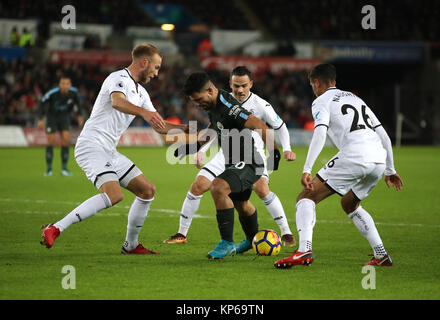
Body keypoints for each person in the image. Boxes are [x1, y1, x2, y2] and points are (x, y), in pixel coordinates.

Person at [40, 43, 189, 254]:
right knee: (114, 194)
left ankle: (131, 245)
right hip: (91, 145)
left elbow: (161, 126)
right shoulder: (118, 78)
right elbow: (117, 102)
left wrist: (187, 129)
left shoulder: (142, 93)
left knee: (147, 190)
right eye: (156, 68)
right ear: (144, 62)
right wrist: (143, 113)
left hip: (108, 150)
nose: (157, 73)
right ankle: (55, 228)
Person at [274, 64, 404, 269]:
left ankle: (303, 251)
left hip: (354, 155)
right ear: (334, 81)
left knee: (306, 197)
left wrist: (306, 169)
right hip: (378, 158)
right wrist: (390, 170)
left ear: (317, 82)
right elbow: (384, 136)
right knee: (349, 204)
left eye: (311, 84)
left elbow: (320, 133)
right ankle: (381, 255)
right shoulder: (356, 98)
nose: (312, 89)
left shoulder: (321, 101)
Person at [164, 66, 296, 250]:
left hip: (252, 152)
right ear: (230, 85)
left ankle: (286, 231)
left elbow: (276, 126)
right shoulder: (220, 100)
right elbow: (215, 127)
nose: (240, 90)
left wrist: (281, 150)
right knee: (201, 185)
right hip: (227, 152)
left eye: (243, 85)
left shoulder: (257, 105)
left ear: (251, 84)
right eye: (236, 86)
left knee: (259, 188)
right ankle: (182, 233)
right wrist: (195, 148)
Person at [38, 76, 84, 177]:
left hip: (64, 117)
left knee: (65, 141)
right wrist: (40, 119)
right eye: (62, 83)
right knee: (50, 142)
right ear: (59, 85)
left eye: (67, 83)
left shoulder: (74, 93)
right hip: (52, 118)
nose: (64, 86)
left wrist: (79, 115)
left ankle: (64, 169)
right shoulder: (52, 93)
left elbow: (78, 104)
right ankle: (49, 169)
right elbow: (41, 103)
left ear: (70, 85)